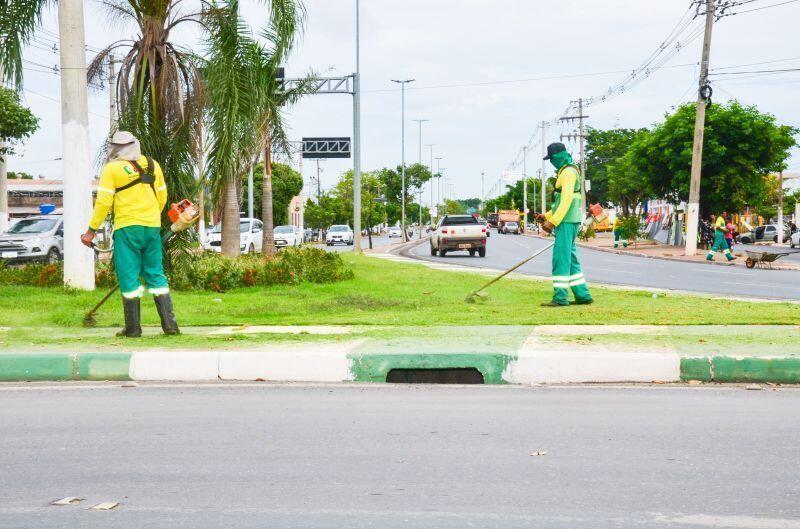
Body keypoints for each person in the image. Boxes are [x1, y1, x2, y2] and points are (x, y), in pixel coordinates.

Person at [80, 131, 179, 337]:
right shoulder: (153, 165)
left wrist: (91, 231)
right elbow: (162, 196)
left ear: (114, 148)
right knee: (155, 273)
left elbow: (104, 203)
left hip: (127, 228)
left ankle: (133, 329)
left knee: (128, 276)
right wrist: (150, 216)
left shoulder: (112, 169)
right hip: (152, 227)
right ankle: (170, 325)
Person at [537, 142, 593, 307]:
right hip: (569, 220)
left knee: (561, 259)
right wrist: (545, 215)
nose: (551, 162)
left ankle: (560, 298)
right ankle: (583, 295)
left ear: (558, 156)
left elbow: (567, 200)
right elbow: (561, 202)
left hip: (566, 222)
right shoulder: (568, 170)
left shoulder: (568, 173)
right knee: (571, 260)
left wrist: (552, 222)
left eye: (551, 158)